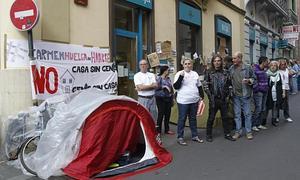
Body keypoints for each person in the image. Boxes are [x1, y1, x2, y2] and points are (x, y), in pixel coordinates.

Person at [203, 55, 235, 142]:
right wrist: (210, 97)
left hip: (224, 99)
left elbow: (230, 85)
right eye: (215, 61)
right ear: (213, 62)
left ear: (221, 62)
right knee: (211, 118)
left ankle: (227, 134)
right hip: (213, 98)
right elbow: (205, 86)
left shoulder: (226, 72)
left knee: (225, 117)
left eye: (218, 61)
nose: (217, 63)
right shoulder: (209, 72)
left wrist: (228, 95)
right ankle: (208, 135)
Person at [173, 58, 205, 146]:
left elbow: (199, 85)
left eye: (189, 64)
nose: (187, 65)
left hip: (194, 100)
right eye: (186, 64)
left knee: (193, 119)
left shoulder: (195, 74)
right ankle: (180, 137)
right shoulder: (179, 74)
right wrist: (181, 77)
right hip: (183, 101)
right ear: (183, 65)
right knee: (182, 119)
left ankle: (194, 136)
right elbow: (176, 87)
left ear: (192, 65)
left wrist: (202, 96)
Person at [229, 52, 256, 140]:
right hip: (235, 95)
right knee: (237, 115)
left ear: (240, 58)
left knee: (247, 114)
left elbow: (254, 79)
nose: (233, 60)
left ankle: (248, 132)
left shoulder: (248, 67)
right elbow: (229, 80)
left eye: (235, 58)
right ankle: (238, 132)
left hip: (245, 95)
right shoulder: (231, 68)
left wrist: (249, 81)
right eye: (233, 58)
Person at [155, 66, 175, 135]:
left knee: (167, 114)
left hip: (168, 98)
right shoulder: (159, 78)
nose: (169, 71)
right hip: (160, 98)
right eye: (168, 70)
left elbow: (171, 89)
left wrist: (173, 98)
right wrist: (164, 86)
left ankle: (167, 129)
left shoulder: (168, 79)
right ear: (164, 71)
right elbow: (156, 87)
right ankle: (158, 130)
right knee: (161, 114)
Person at [251, 56, 269, 132]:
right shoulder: (255, 70)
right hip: (258, 92)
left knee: (263, 108)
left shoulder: (264, 70)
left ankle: (259, 124)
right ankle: (253, 125)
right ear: (263, 62)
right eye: (267, 62)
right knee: (258, 108)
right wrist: (258, 88)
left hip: (264, 91)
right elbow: (254, 81)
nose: (268, 63)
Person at [265, 61, 283, 127]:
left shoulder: (279, 74)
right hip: (268, 94)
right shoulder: (266, 74)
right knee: (266, 107)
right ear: (269, 66)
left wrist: (282, 93)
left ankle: (274, 120)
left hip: (276, 94)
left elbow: (281, 84)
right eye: (271, 65)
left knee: (275, 107)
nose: (273, 66)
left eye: (274, 65)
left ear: (277, 67)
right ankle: (263, 120)